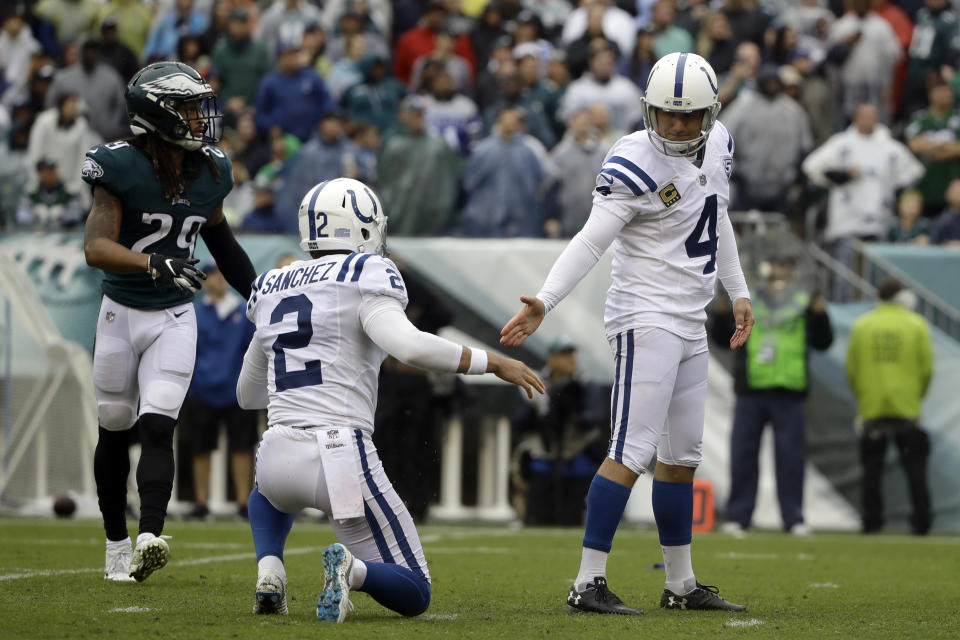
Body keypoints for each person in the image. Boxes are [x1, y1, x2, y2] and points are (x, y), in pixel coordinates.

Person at [501, 52, 753, 615]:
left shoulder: (720, 144)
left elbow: (719, 214)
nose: (679, 126)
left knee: (682, 456)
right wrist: (545, 298)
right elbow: (592, 240)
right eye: (667, 114)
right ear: (648, 111)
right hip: (645, 316)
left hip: (689, 317)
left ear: (711, 113)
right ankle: (587, 581)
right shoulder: (631, 162)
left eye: (690, 116)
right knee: (630, 450)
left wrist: (737, 290)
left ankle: (681, 585)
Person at [236, 177, 544, 621]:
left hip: (278, 450)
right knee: (415, 589)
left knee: (266, 495)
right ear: (362, 227)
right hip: (339, 455)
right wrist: (492, 363)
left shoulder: (271, 284)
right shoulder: (365, 272)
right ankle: (352, 572)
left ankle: (271, 568)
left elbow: (247, 395)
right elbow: (411, 347)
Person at [82, 61, 257, 583]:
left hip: (175, 316)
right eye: (187, 108)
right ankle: (116, 540)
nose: (201, 119)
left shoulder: (210, 170)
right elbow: (96, 247)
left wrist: (261, 295)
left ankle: (150, 537)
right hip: (119, 312)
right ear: (157, 112)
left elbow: (222, 243)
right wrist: (151, 261)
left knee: (160, 425)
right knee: (115, 428)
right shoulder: (119, 166)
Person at [711, 255, 833, 536]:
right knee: (743, 455)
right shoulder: (749, 300)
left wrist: (819, 314)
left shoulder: (803, 302)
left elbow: (823, 341)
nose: (781, 272)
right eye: (778, 266)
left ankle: (794, 519)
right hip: (751, 390)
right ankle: (738, 517)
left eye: (786, 267)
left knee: (791, 458)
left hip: (789, 391)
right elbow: (721, 338)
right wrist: (720, 312)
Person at [846, 278, 934, 535]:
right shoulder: (916, 325)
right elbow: (927, 369)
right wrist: (917, 397)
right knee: (915, 469)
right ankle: (922, 521)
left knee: (871, 470)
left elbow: (852, 369)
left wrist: (863, 397)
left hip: (872, 407)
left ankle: (872, 521)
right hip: (907, 407)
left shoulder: (863, 325)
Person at [180, 264, 257, 521]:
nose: (219, 278)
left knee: (242, 448)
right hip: (202, 390)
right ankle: (201, 502)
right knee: (201, 448)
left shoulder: (243, 311)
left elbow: (252, 351)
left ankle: (244, 503)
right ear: (204, 281)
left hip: (237, 392)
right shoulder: (195, 313)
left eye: (222, 273)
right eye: (213, 274)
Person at [511, 334, 606, 525]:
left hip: (576, 461)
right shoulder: (534, 384)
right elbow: (518, 421)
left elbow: (596, 418)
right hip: (543, 461)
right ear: (551, 359)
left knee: (571, 520)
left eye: (572, 353)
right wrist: (540, 409)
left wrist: (574, 414)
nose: (571, 358)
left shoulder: (585, 385)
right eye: (564, 353)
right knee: (538, 520)